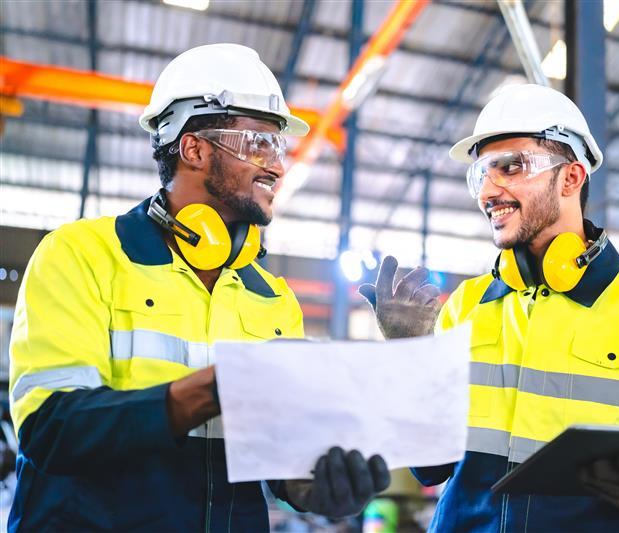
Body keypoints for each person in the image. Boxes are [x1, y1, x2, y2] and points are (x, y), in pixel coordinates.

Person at [8, 43, 389, 532]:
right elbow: (52, 430)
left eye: (280, 147)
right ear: (194, 148)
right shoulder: (82, 254)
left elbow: (275, 459)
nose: (278, 166)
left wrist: (310, 487)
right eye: (259, 145)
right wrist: (217, 387)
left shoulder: (273, 299)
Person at [359, 84, 619, 532]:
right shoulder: (465, 306)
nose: (488, 190)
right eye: (480, 175)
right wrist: (411, 358)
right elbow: (429, 470)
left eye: (510, 167)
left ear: (571, 178)